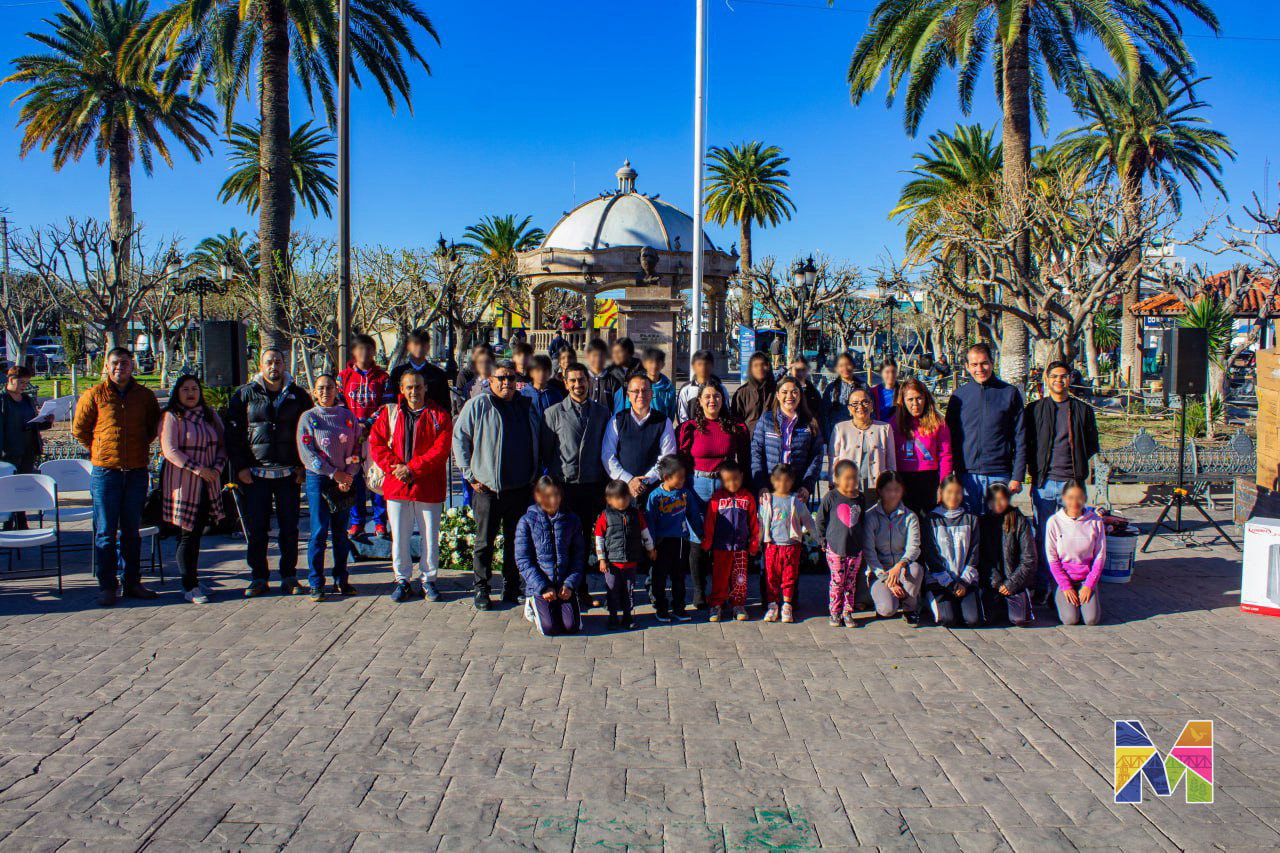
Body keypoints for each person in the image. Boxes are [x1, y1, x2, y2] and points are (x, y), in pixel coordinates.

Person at [72, 348, 162, 606]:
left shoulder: (144, 396)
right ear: (106, 366)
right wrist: (100, 448)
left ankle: (132, 582)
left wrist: (137, 448)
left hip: (135, 471)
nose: (119, 367)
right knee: (105, 532)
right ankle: (107, 585)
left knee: (132, 531)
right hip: (106, 473)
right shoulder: (94, 395)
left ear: (132, 366)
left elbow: (152, 428)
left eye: (124, 362)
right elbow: (80, 429)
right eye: (114, 363)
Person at [453, 360, 542, 609]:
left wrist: (535, 473)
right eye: (501, 378)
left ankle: (511, 586)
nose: (506, 383)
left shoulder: (526, 405)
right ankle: (481, 587)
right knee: (484, 542)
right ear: (491, 380)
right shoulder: (479, 404)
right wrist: (470, 475)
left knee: (516, 541)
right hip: (488, 489)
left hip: (520, 487)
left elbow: (537, 437)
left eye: (511, 378)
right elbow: (460, 438)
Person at [226, 349, 314, 597]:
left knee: (290, 529)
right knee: (257, 529)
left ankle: (289, 575)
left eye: (277, 361)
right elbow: (233, 434)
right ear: (260, 365)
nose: (273, 366)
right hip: (255, 475)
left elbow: (308, 432)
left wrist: (302, 467)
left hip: (289, 475)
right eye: (269, 362)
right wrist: (240, 468)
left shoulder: (299, 395)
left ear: (284, 364)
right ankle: (258, 577)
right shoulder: (245, 394)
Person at [370, 371, 453, 603]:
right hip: (397, 485)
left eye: (418, 386)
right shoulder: (390, 414)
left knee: (430, 536)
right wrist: (396, 468)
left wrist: (412, 469)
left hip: (428, 485)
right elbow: (376, 444)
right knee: (399, 536)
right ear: (402, 390)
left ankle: (428, 579)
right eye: (409, 387)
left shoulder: (439, 415)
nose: (413, 391)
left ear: (425, 388)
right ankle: (402, 579)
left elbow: (440, 450)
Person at [1025, 361, 1101, 602]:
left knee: (1071, 538)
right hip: (1045, 483)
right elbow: (1027, 444)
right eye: (1054, 376)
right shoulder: (1035, 410)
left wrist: (1077, 467)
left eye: (1064, 376)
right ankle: (1043, 586)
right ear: (1047, 379)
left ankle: (1068, 585)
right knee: (1043, 536)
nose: (1059, 380)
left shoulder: (1082, 410)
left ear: (1070, 379)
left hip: (1072, 484)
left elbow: (1091, 444)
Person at [541, 363, 610, 608]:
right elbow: (546, 452)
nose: (578, 385)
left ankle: (582, 589)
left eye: (582, 380)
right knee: (563, 540)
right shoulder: (553, 413)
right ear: (565, 383)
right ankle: (563, 588)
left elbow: (607, 449)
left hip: (591, 486)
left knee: (584, 540)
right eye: (573, 381)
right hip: (565, 487)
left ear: (588, 382)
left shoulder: (602, 413)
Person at [676, 383, 749, 609]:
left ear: (722, 399)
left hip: (725, 487)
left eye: (716, 396)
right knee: (698, 540)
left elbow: (744, 460)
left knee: (724, 541)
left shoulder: (735, 427)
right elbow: (682, 461)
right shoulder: (689, 428)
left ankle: (722, 591)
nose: (712, 400)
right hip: (697, 486)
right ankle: (699, 591)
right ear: (699, 401)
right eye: (707, 396)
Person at [159, 375, 226, 604]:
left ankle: (195, 579)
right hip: (184, 483)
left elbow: (223, 444)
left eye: (194, 389)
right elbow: (170, 450)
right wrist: (198, 469)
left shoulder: (209, 415)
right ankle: (189, 586)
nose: (190, 393)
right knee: (187, 534)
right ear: (177, 392)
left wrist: (216, 468)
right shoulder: (172, 416)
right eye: (185, 389)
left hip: (208, 482)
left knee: (197, 532)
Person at [296, 374, 362, 602]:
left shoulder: (348, 417)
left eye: (330, 387)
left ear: (337, 390)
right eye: (321, 388)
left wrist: (349, 474)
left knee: (341, 532)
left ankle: (342, 579)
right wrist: (333, 473)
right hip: (319, 479)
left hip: (344, 480)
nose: (325, 392)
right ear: (314, 392)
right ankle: (316, 582)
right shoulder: (308, 418)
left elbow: (357, 447)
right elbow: (307, 453)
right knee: (319, 531)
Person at [946, 343, 1026, 514]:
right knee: (970, 525)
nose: (980, 369)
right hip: (966, 475)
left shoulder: (1009, 393)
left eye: (984, 363)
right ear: (967, 366)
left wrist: (1018, 475)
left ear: (992, 362)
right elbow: (949, 437)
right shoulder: (959, 396)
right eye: (974, 364)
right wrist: (950, 473)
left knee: (998, 526)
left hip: (1000, 473)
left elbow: (1020, 437)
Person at [338, 334, 393, 538]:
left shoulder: (383, 378)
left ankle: (380, 522)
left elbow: (387, 406)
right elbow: (339, 404)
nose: (364, 353)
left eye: (369, 349)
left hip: (375, 437)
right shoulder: (343, 376)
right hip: (351, 439)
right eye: (360, 349)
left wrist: (368, 424)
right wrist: (354, 425)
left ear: (374, 352)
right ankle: (357, 522)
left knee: (377, 477)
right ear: (354, 352)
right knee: (355, 478)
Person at [516, 477, 585, 636]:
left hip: (563, 585)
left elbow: (578, 556)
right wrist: (543, 587)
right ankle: (532, 602)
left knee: (571, 627)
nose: (553, 500)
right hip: (541, 586)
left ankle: (564, 605)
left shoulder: (572, 520)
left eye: (556, 495)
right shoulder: (527, 521)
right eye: (548, 496)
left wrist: (570, 584)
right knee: (550, 629)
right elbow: (523, 560)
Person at [644, 455, 704, 622]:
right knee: (659, 578)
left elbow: (693, 516)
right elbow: (650, 523)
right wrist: (650, 547)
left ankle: (679, 608)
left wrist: (700, 534)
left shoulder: (685, 494)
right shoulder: (655, 496)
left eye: (684, 477)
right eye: (679, 477)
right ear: (666, 477)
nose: (683, 480)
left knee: (679, 577)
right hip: (661, 544)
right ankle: (661, 609)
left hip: (680, 542)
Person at [701, 460, 761, 623]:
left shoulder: (747, 497)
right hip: (721, 546)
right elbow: (710, 522)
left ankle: (738, 605)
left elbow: (754, 522)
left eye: (735, 479)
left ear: (741, 476)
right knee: (719, 577)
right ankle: (716, 604)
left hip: (741, 547)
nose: (732, 483)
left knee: (740, 578)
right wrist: (708, 541)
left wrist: (754, 543)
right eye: (727, 480)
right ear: (721, 480)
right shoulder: (717, 499)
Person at [758, 463, 819, 623]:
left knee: (789, 577)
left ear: (792, 482)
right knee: (771, 576)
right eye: (779, 480)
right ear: (773, 480)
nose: (782, 484)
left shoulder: (796, 501)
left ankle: (787, 605)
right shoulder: (767, 500)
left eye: (787, 480)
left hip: (791, 547)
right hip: (772, 546)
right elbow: (760, 522)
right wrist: (756, 541)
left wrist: (819, 538)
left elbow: (808, 521)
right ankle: (772, 605)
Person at [862, 471, 924, 626]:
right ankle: (888, 598)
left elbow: (914, 547)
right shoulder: (870, 517)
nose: (893, 494)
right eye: (888, 490)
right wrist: (886, 578)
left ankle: (910, 607)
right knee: (887, 610)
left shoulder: (910, 517)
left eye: (897, 489)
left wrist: (900, 565)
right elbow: (869, 552)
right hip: (880, 571)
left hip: (902, 568)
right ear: (880, 491)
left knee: (916, 570)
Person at [594, 479, 657, 630]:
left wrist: (650, 549)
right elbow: (599, 538)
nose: (622, 501)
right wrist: (602, 559)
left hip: (630, 562)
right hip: (612, 564)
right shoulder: (605, 516)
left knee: (629, 591)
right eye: (618, 498)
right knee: (612, 590)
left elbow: (645, 533)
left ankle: (628, 616)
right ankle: (613, 616)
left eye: (625, 497)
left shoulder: (636, 514)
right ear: (609, 500)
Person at [602, 374, 677, 499]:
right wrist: (629, 480)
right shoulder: (616, 420)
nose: (641, 395)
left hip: (654, 492)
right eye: (636, 391)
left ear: (651, 394)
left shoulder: (664, 422)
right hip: (622, 491)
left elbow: (667, 457)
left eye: (645, 390)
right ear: (628, 396)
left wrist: (646, 481)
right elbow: (607, 455)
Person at [920, 475, 981, 627]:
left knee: (972, 620)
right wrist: (950, 584)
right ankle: (931, 599)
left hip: (964, 581)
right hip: (940, 581)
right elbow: (931, 556)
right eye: (949, 492)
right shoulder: (931, 519)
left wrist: (963, 582)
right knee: (948, 619)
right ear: (941, 492)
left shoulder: (971, 519)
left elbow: (974, 554)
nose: (953, 496)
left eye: (957, 492)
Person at [751, 376, 824, 499]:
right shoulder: (766, 420)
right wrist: (761, 485)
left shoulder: (810, 422)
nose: (789, 396)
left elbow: (816, 456)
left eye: (794, 392)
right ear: (778, 395)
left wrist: (807, 485)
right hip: (770, 489)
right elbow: (756, 453)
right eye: (784, 392)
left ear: (800, 395)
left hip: (798, 490)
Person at [1045, 480, 1106, 626]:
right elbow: (1052, 558)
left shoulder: (1096, 521)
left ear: (1085, 498)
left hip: (1086, 577)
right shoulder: (1054, 522)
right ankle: (1057, 595)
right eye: (1070, 498)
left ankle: (1084, 596)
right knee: (1070, 619)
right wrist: (1065, 586)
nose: (1075, 502)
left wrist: (1089, 585)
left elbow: (1100, 556)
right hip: (1064, 576)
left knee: (1091, 620)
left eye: (1079, 497)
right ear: (1064, 498)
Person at [1, 366, 53, 529]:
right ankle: (8, 524)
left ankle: (22, 521)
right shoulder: (3, 400)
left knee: (23, 486)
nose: (24, 386)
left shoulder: (27, 400)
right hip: (9, 451)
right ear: (11, 380)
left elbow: (34, 423)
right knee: (9, 489)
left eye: (26, 383)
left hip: (28, 449)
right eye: (22, 382)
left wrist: (46, 421)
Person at [891, 378, 953, 514]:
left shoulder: (938, 422)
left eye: (919, 398)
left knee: (930, 521)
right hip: (903, 480)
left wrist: (944, 485)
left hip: (929, 480)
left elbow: (945, 455)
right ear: (903, 401)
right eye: (910, 399)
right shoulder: (894, 424)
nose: (915, 403)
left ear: (926, 398)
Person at [978, 483, 1035, 627]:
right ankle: (1000, 604)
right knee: (986, 618)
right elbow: (981, 558)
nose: (998, 503)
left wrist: (1012, 583)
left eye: (1002, 499)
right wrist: (995, 582)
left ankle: (1017, 600)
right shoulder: (983, 523)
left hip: (1015, 581)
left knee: (1020, 619)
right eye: (993, 499)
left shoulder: (1019, 521)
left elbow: (1029, 558)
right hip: (993, 584)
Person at [816, 459, 864, 627]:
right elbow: (820, 519)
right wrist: (822, 539)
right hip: (836, 548)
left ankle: (847, 612)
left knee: (850, 582)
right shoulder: (831, 497)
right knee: (837, 582)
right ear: (837, 479)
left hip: (855, 549)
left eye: (854, 478)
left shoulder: (860, 498)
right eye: (847, 478)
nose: (851, 482)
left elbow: (863, 521)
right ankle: (835, 612)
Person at [828, 387, 895, 506]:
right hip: (847, 487)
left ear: (871, 405)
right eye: (855, 403)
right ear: (849, 408)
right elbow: (834, 459)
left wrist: (891, 485)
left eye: (865, 402)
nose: (860, 406)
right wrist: (833, 483)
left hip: (876, 488)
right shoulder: (840, 429)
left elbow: (891, 462)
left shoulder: (884, 429)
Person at [389, 327, 451, 413]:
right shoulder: (397, 373)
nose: (419, 347)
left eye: (423, 344)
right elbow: (392, 403)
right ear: (408, 347)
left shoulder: (438, 374)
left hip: (431, 418)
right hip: (403, 418)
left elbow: (445, 407)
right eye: (416, 344)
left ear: (428, 347)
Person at [614, 347, 676, 420]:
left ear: (662, 364)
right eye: (651, 362)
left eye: (657, 362)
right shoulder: (635, 384)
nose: (654, 366)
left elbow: (671, 413)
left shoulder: (668, 388)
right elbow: (628, 408)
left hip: (660, 424)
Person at [821, 353, 866, 439]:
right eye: (841, 365)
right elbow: (825, 415)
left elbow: (871, 411)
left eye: (848, 364)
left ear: (853, 366)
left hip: (859, 434)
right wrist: (828, 437)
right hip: (837, 435)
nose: (845, 368)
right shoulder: (831, 389)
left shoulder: (863, 387)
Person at [675, 349, 726, 424]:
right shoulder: (686, 390)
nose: (703, 367)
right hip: (692, 430)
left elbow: (726, 412)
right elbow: (682, 415)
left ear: (712, 366)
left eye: (706, 364)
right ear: (693, 366)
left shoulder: (721, 389)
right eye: (699, 364)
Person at [731, 351, 776, 436]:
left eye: (763, 364)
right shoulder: (742, 393)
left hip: (772, 439)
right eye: (756, 365)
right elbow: (736, 422)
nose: (760, 368)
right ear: (750, 369)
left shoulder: (777, 390)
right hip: (748, 438)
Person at [520, 354, 566, 420]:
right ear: (531, 373)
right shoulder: (523, 395)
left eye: (545, 370)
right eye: (538, 370)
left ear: (550, 373)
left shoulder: (556, 394)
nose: (541, 374)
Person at [787, 356, 825, 435]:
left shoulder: (813, 392)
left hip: (807, 432)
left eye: (803, 370)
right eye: (797, 370)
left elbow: (820, 414)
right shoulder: (785, 390)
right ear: (791, 371)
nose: (800, 373)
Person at [584, 338, 622, 409]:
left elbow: (619, 408)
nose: (598, 358)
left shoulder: (614, 382)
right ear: (588, 356)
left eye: (601, 355)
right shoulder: (582, 379)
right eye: (594, 355)